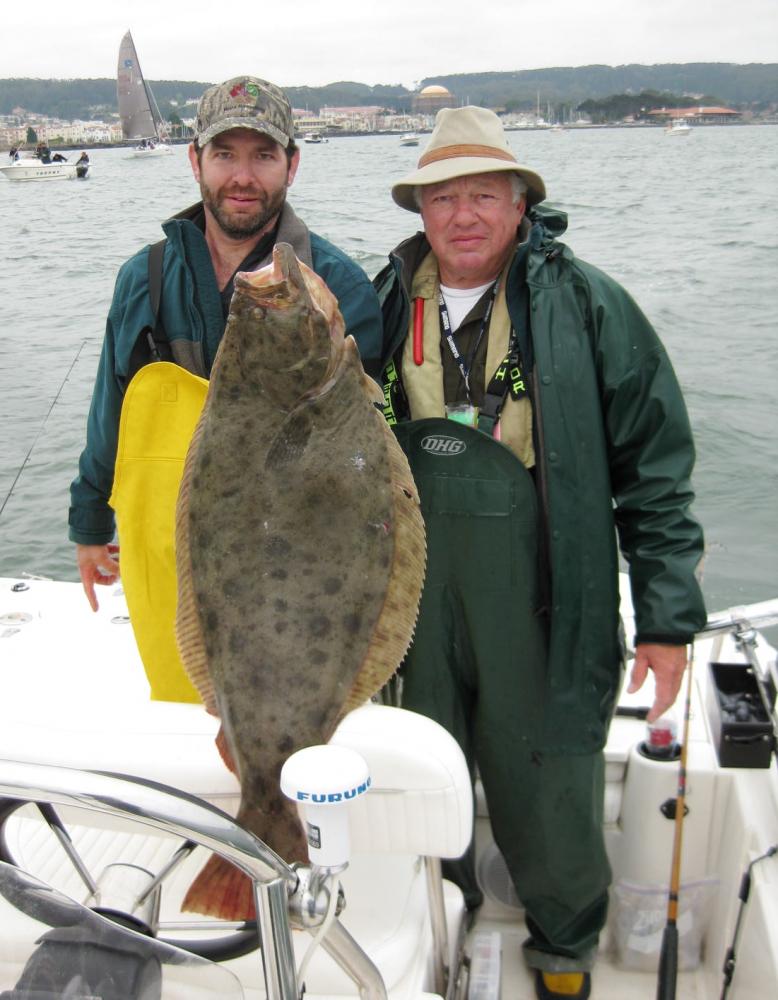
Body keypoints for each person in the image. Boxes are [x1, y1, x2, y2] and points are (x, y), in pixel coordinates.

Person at [373, 106, 706, 1000]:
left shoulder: (589, 304)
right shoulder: (374, 301)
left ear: (522, 206)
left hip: (547, 597)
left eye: (485, 193)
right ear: (420, 212)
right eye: (443, 198)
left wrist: (667, 620)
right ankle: (428, 926)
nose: (464, 215)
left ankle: (562, 954)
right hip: (410, 601)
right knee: (415, 769)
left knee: (552, 785)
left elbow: (656, 471)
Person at [69, 75, 383, 619]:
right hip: (164, 558)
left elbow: (366, 455)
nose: (242, 177)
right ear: (195, 161)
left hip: (293, 568)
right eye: (224, 154)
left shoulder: (341, 289)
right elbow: (109, 413)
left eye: (263, 155)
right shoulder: (141, 279)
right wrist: (90, 523)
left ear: (292, 164)